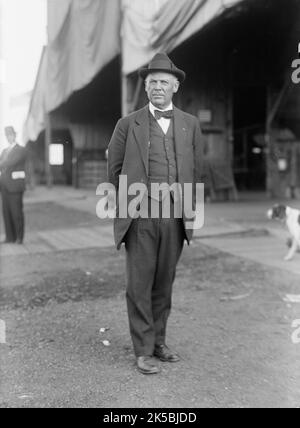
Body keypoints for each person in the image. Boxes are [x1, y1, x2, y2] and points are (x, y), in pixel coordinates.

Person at [107, 53, 203, 374]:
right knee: (139, 285)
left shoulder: (190, 124)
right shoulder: (127, 124)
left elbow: (196, 171)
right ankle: (142, 350)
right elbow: (115, 170)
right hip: (141, 217)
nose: (158, 87)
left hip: (175, 216)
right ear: (146, 89)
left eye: (164, 82)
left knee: (164, 282)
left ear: (175, 86)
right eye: (152, 83)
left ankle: (159, 341)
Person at [0, 126, 26, 244]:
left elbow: (11, 162)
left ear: (15, 135)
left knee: (16, 212)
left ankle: (19, 237)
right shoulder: (4, 151)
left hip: (15, 186)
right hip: (4, 186)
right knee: (6, 212)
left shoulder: (20, 150)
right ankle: (9, 237)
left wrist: (2, 163)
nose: (9, 137)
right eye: (7, 135)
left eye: (11, 135)